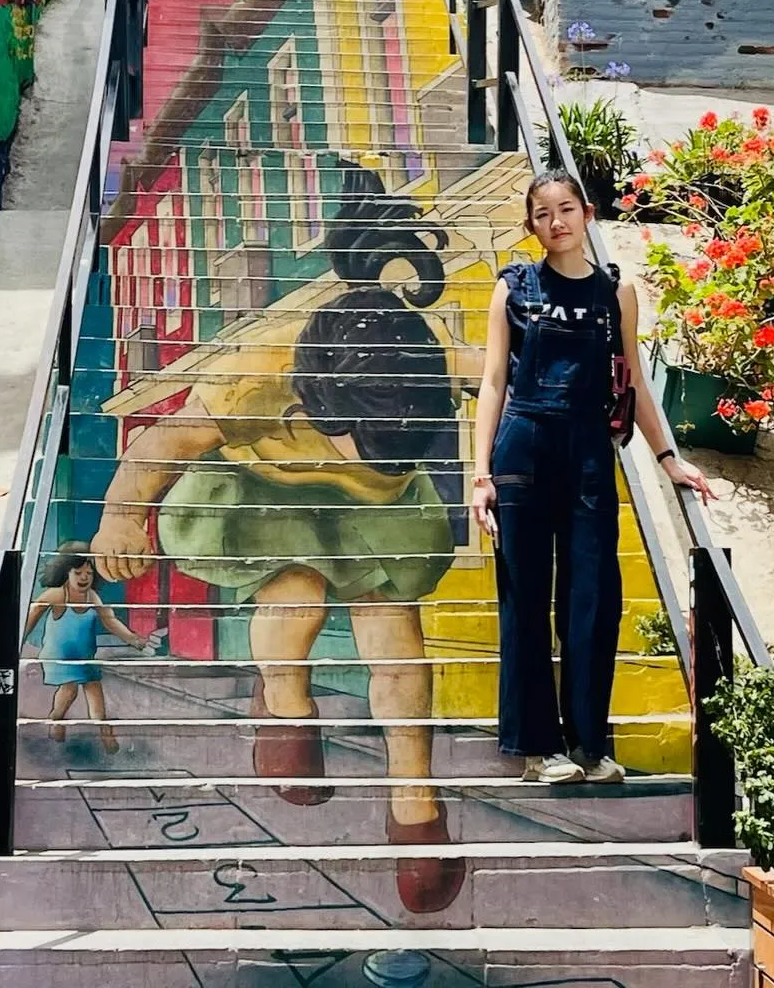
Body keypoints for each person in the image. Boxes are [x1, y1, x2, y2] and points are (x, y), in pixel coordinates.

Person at [90, 167, 465, 915]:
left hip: (374, 512)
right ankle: (286, 704)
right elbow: (164, 440)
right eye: (362, 441)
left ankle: (415, 804)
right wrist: (121, 516)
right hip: (262, 484)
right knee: (294, 593)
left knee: (391, 623)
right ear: (320, 403)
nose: (370, 453)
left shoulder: (421, 372)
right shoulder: (255, 375)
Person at [470, 169, 713, 786]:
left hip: (588, 454)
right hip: (522, 447)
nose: (557, 221)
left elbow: (633, 381)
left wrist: (668, 459)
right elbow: (494, 382)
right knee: (525, 598)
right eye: (543, 213)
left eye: (566, 208)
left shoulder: (615, 291)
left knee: (593, 598)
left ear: (588, 213)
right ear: (531, 225)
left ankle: (587, 746)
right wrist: (481, 475)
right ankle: (537, 748)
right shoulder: (513, 288)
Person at [24, 542, 151, 753]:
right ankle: (57, 719)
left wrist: (132, 638)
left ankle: (104, 731)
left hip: (86, 655)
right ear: (65, 572)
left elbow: (109, 620)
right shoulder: (57, 595)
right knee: (69, 690)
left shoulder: (92, 597)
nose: (84, 577)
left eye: (89, 573)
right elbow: (33, 615)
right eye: (78, 572)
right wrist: (18, 639)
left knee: (95, 694)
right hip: (60, 656)